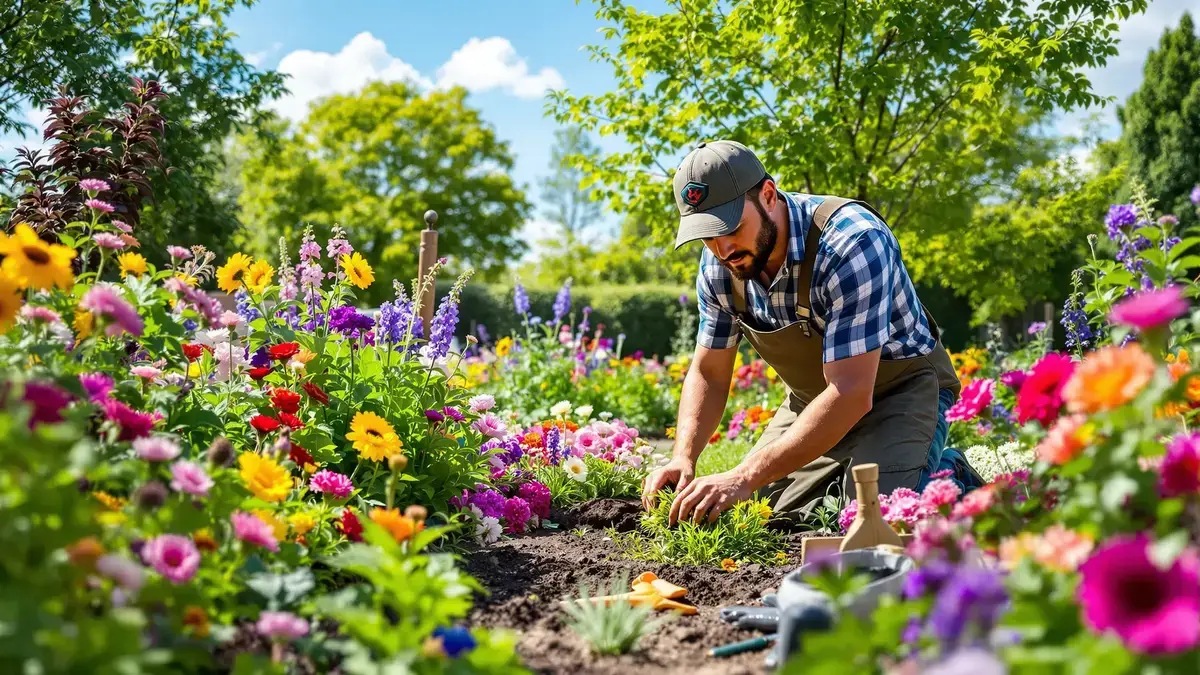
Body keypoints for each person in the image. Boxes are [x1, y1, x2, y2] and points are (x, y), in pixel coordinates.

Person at [641, 140, 980, 526]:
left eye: (730, 226)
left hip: (904, 390)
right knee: (756, 514)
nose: (721, 248)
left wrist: (743, 475)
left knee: (876, 519)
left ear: (768, 194)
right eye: (707, 234)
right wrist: (683, 456)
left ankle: (950, 478)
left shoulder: (852, 241)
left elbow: (850, 392)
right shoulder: (722, 264)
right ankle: (859, 471)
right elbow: (709, 372)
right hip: (815, 399)